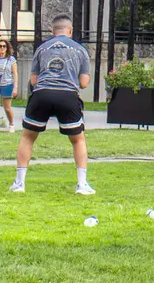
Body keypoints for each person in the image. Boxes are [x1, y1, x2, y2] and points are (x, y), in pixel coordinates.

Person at [12, 15, 96, 196]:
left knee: (28, 137)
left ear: (52, 31)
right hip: (68, 96)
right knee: (78, 139)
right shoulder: (80, 50)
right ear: (70, 30)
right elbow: (83, 83)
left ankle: (19, 183)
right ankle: (82, 185)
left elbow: (34, 80)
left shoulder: (42, 49)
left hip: (42, 94)